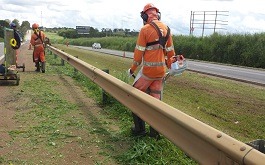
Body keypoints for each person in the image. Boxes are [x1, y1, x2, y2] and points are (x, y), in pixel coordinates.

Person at [127, 3, 178, 139]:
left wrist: (132, 69)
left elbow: (138, 56)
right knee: (156, 103)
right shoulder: (167, 29)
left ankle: (139, 130)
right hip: (161, 73)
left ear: (144, 16)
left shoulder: (145, 30)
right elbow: (171, 54)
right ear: (157, 15)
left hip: (148, 73)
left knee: (134, 98)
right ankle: (155, 134)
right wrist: (172, 67)